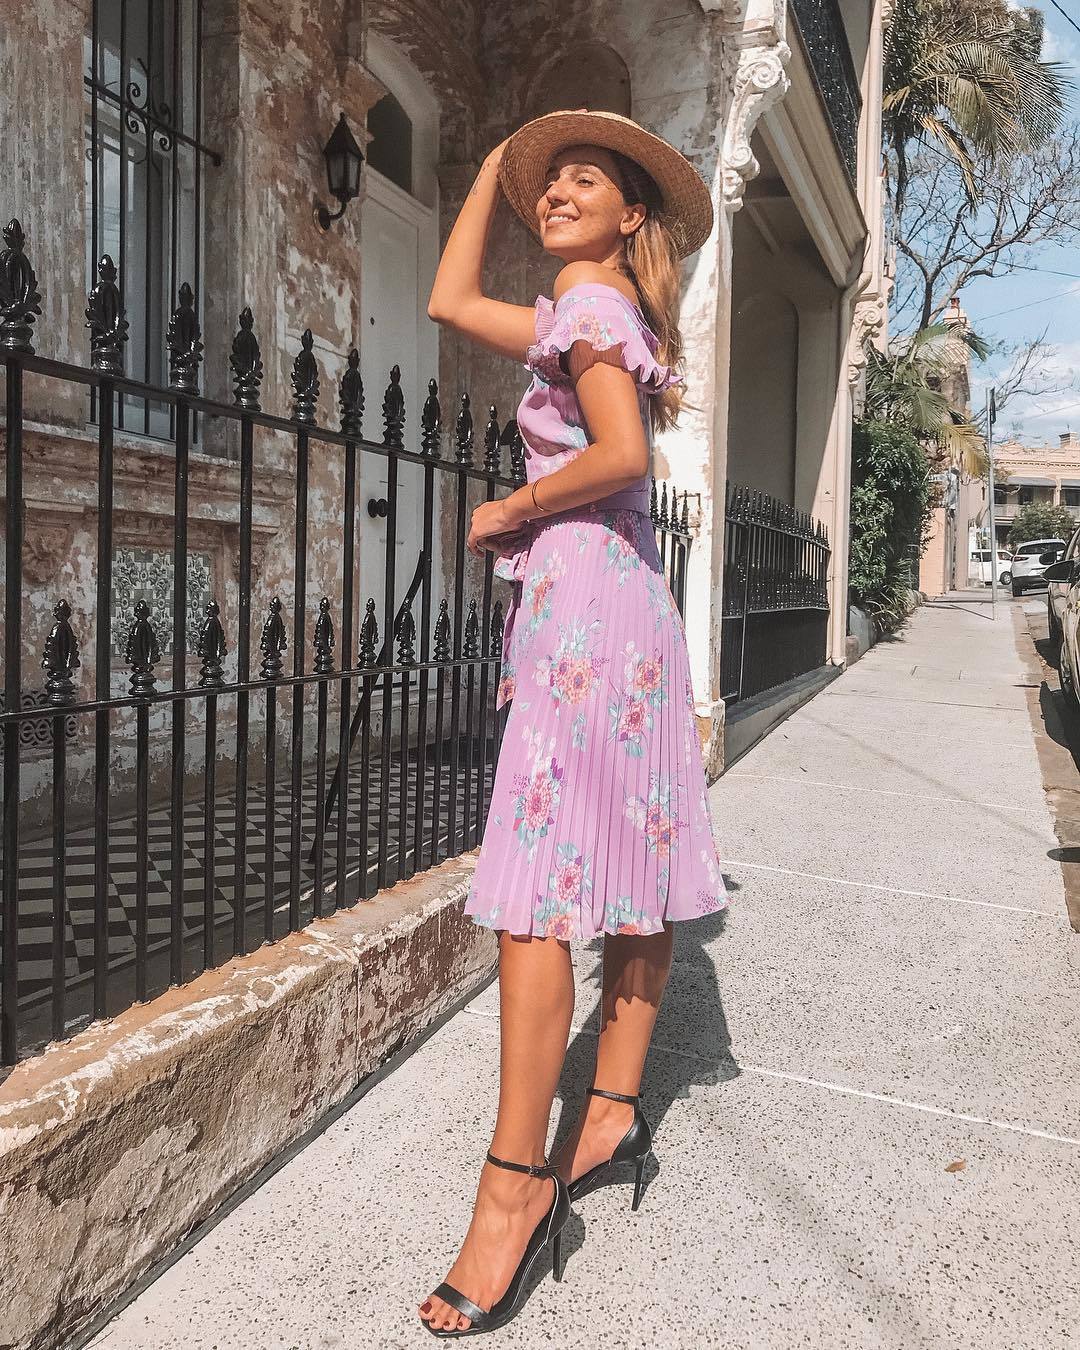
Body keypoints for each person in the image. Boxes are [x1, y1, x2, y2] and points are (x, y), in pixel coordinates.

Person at [419, 108, 727, 1337]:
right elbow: (449, 301)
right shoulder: (585, 310)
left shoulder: (592, 306)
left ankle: (514, 1193)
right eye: (549, 183)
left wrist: (511, 508)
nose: (556, 194)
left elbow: (622, 455)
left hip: (589, 601)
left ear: (630, 213)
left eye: (581, 180)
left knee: (539, 889)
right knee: (633, 863)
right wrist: (498, 174)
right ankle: (609, 1116)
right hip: (619, 603)